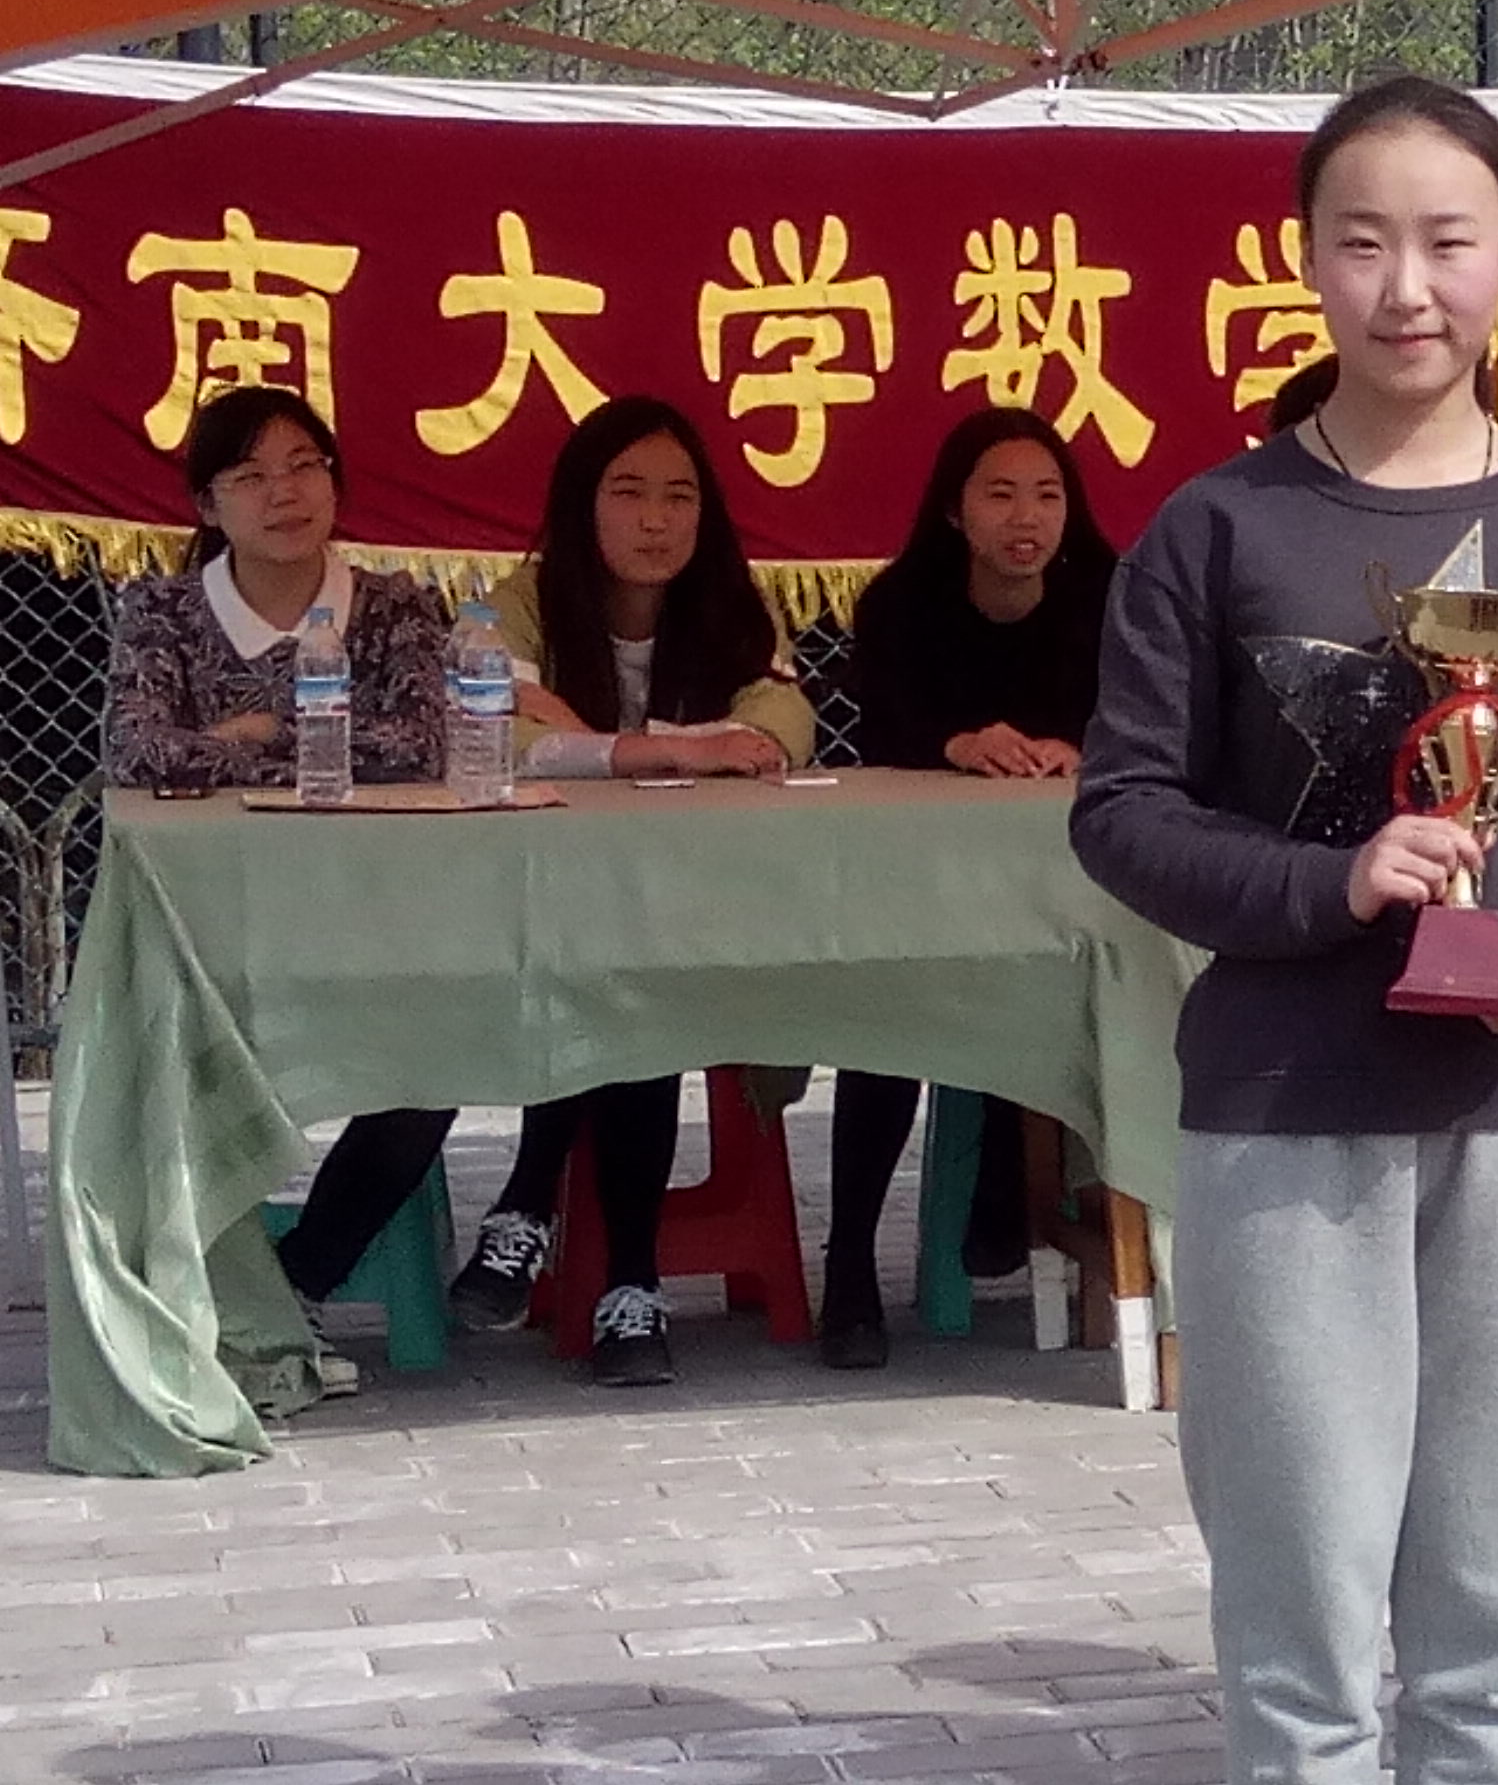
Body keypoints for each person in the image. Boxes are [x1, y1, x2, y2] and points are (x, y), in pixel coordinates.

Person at [1071, 75, 1498, 1785]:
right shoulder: (1216, 529)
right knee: (1305, 1617)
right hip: (1286, 1124)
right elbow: (1122, 813)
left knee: (1494, 1608)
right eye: (1360, 242)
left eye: (1446, 241)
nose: (1405, 286)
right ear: (1303, 261)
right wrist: (1332, 884)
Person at [440, 397, 816, 1388]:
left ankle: (530, 1207)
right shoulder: (517, 602)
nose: (657, 520)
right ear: (582, 504)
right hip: (546, 913)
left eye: (680, 497)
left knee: (635, 978)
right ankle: (629, 1285)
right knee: (614, 978)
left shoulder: (735, 604)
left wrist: (597, 744)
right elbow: (499, 734)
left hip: (708, 911)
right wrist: (669, 752)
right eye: (630, 493)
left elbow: (780, 729)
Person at [103, 386, 455, 1397]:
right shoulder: (164, 611)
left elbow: (420, 745)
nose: (284, 493)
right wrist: (319, 741)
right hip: (212, 935)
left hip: (377, 922)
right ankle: (199, 1298)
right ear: (208, 505)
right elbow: (137, 751)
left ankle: (298, 1282)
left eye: (304, 466)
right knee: (168, 1080)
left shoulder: (395, 606)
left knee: (436, 1063)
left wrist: (250, 736)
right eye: (251, 476)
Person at [822, 405, 1119, 1369]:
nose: (1026, 518)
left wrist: (1081, 751)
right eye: (1000, 495)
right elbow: (879, 729)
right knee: (883, 1025)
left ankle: (1029, 1207)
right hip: (923, 891)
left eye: (1047, 496)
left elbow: (1144, 724)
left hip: (1062, 894)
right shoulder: (899, 603)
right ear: (955, 511)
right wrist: (958, 743)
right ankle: (850, 1266)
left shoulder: (1110, 597)